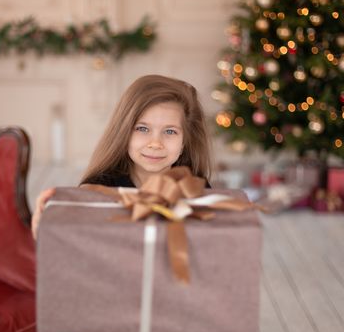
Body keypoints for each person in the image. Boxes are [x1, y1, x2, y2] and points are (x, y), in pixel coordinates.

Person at [31, 74, 213, 239]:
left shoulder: (196, 188)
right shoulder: (97, 189)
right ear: (124, 133)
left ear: (184, 143)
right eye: (142, 129)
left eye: (170, 131)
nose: (155, 143)